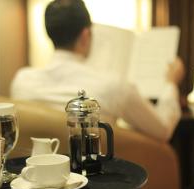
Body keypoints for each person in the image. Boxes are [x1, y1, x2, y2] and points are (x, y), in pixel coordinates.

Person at [11, 0, 184, 142]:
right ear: (86, 35)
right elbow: (162, 129)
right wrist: (170, 84)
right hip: (96, 179)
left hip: (36, 178)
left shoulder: (21, 81)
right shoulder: (112, 85)